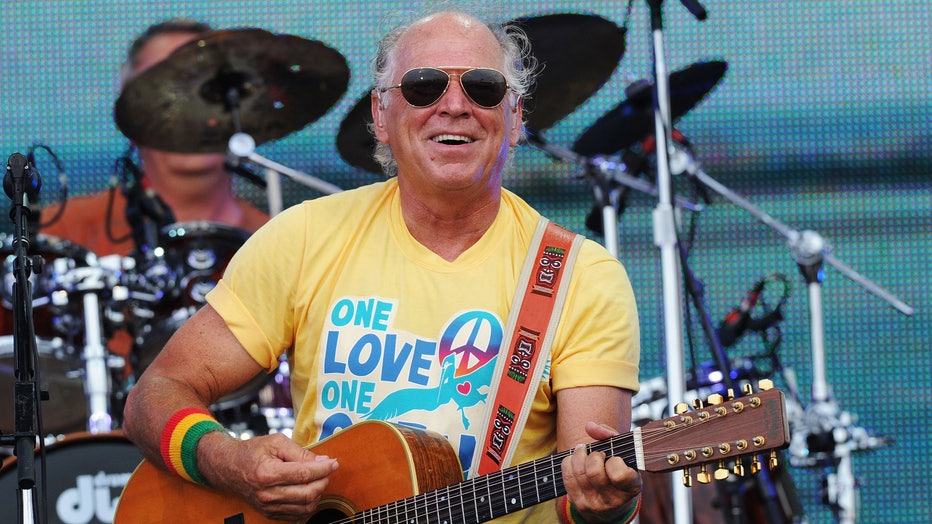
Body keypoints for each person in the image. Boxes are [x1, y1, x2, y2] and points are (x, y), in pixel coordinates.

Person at [123, 10, 642, 523]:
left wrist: (605, 506)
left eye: (483, 88)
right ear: (380, 115)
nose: (454, 105)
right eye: (423, 87)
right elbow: (154, 394)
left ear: (516, 116)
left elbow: (588, 494)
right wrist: (231, 462)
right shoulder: (304, 236)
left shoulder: (582, 277)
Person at [39, 18, 269, 257]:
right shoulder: (57, 234)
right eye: (163, 90)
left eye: (208, 89)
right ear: (129, 118)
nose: (188, 109)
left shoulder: (279, 246)